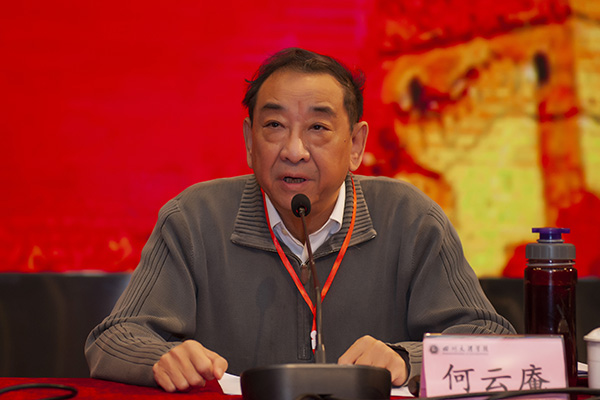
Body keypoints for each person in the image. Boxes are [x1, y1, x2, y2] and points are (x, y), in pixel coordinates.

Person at [85, 47, 515, 392]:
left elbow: (492, 339)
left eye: (318, 128)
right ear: (249, 141)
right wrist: (161, 358)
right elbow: (114, 338)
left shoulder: (410, 218)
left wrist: (408, 359)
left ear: (356, 145)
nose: (294, 150)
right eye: (274, 125)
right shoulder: (195, 219)